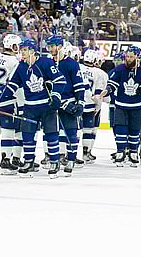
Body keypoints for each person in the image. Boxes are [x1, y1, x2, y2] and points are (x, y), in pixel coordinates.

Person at [2, 39, 66, 177]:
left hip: (47, 106)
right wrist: (0, 100)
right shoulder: (21, 66)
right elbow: (12, 85)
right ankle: (29, 161)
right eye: (21, 50)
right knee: (27, 135)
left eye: (24, 50)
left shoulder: (46, 62)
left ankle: (54, 161)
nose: (22, 53)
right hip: (30, 107)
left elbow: (60, 80)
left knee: (51, 134)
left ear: (32, 51)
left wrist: (55, 97)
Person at [46, 35, 86, 175]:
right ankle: (54, 160)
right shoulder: (47, 63)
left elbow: (79, 86)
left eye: (52, 46)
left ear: (59, 46)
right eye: (49, 46)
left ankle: (71, 159)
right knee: (51, 133)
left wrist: (80, 103)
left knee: (70, 132)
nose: (50, 49)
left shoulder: (71, 64)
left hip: (67, 102)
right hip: (51, 104)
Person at [0, 33, 24, 174]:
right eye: (17, 45)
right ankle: (5, 160)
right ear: (12, 46)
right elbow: (16, 84)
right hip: (6, 98)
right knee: (8, 131)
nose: (18, 48)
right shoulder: (15, 62)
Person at [78, 48, 108, 163]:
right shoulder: (100, 73)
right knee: (89, 130)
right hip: (91, 104)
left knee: (75, 130)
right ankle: (86, 153)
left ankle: (69, 153)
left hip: (78, 102)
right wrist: (98, 105)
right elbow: (100, 94)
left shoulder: (78, 68)